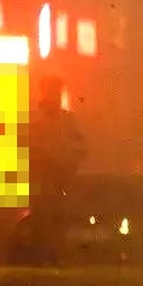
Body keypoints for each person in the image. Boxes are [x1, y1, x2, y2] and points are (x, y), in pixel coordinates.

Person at [22, 76, 85, 264]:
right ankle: (42, 259)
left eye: (57, 92)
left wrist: (68, 163)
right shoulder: (33, 119)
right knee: (42, 222)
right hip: (40, 182)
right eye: (52, 92)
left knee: (60, 221)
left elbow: (81, 148)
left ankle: (57, 257)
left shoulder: (68, 120)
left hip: (62, 182)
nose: (55, 96)